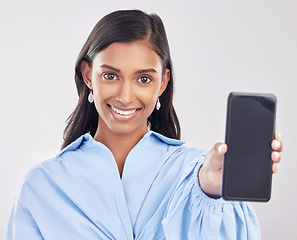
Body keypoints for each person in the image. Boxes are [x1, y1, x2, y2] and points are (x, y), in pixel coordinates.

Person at [6, 9, 282, 240]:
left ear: (163, 82)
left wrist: (209, 195)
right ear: (88, 75)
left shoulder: (199, 175)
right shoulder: (43, 186)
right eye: (111, 75)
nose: (126, 97)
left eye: (144, 79)